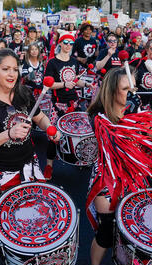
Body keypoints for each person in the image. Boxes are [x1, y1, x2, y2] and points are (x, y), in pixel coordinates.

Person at [0, 48, 60, 265]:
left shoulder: (24, 94)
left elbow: (39, 117)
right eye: (5, 69)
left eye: (15, 69)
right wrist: (9, 134)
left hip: (27, 166)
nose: (11, 74)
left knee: (30, 219)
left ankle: (23, 262)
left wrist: (50, 129)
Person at [85, 67, 152, 265]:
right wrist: (146, 119)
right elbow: (120, 139)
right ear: (112, 91)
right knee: (106, 231)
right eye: (125, 89)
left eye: (133, 88)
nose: (132, 93)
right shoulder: (98, 116)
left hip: (134, 177)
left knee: (134, 227)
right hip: (107, 179)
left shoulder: (136, 111)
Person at [43, 29, 94, 179]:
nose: (69, 45)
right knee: (53, 136)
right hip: (58, 104)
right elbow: (48, 84)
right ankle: (49, 166)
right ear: (60, 44)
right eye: (66, 42)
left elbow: (76, 80)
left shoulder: (73, 61)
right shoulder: (52, 62)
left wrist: (86, 85)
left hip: (75, 102)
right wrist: (64, 84)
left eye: (71, 43)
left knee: (81, 133)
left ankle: (82, 159)